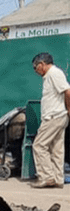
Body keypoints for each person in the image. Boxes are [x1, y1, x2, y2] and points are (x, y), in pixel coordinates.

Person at [30, 52, 70, 189]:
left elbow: (67, 91)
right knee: (56, 149)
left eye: (35, 68)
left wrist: (69, 109)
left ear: (42, 64)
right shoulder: (50, 76)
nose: (35, 71)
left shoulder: (54, 73)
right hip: (58, 116)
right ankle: (58, 179)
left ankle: (47, 177)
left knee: (39, 145)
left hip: (54, 116)